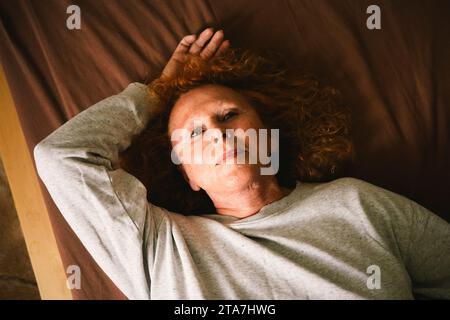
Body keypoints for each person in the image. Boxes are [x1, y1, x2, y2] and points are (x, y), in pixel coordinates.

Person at [34, 27, 450, 300]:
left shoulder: (358, 204)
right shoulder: (159, 247)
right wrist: (157, 91)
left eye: (230, 115)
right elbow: (61, 157)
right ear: (188, 175)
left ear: (268, 136)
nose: (216, 133)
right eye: (194, 134)